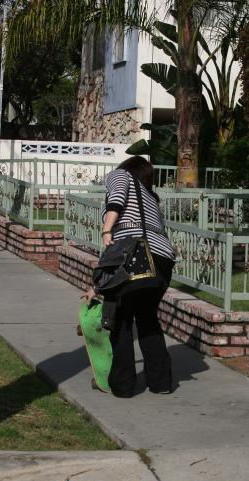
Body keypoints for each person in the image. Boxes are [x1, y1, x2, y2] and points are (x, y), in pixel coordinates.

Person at [85, 156, 175, 398]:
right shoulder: (151, 198)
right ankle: (161, 383)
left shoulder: (120, 176)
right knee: (148, 318)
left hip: (134, 255)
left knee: (122, 320)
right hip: (162, 260)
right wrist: (98, 287)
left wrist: (106, 230)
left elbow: (115, 201)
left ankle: (123, 385)